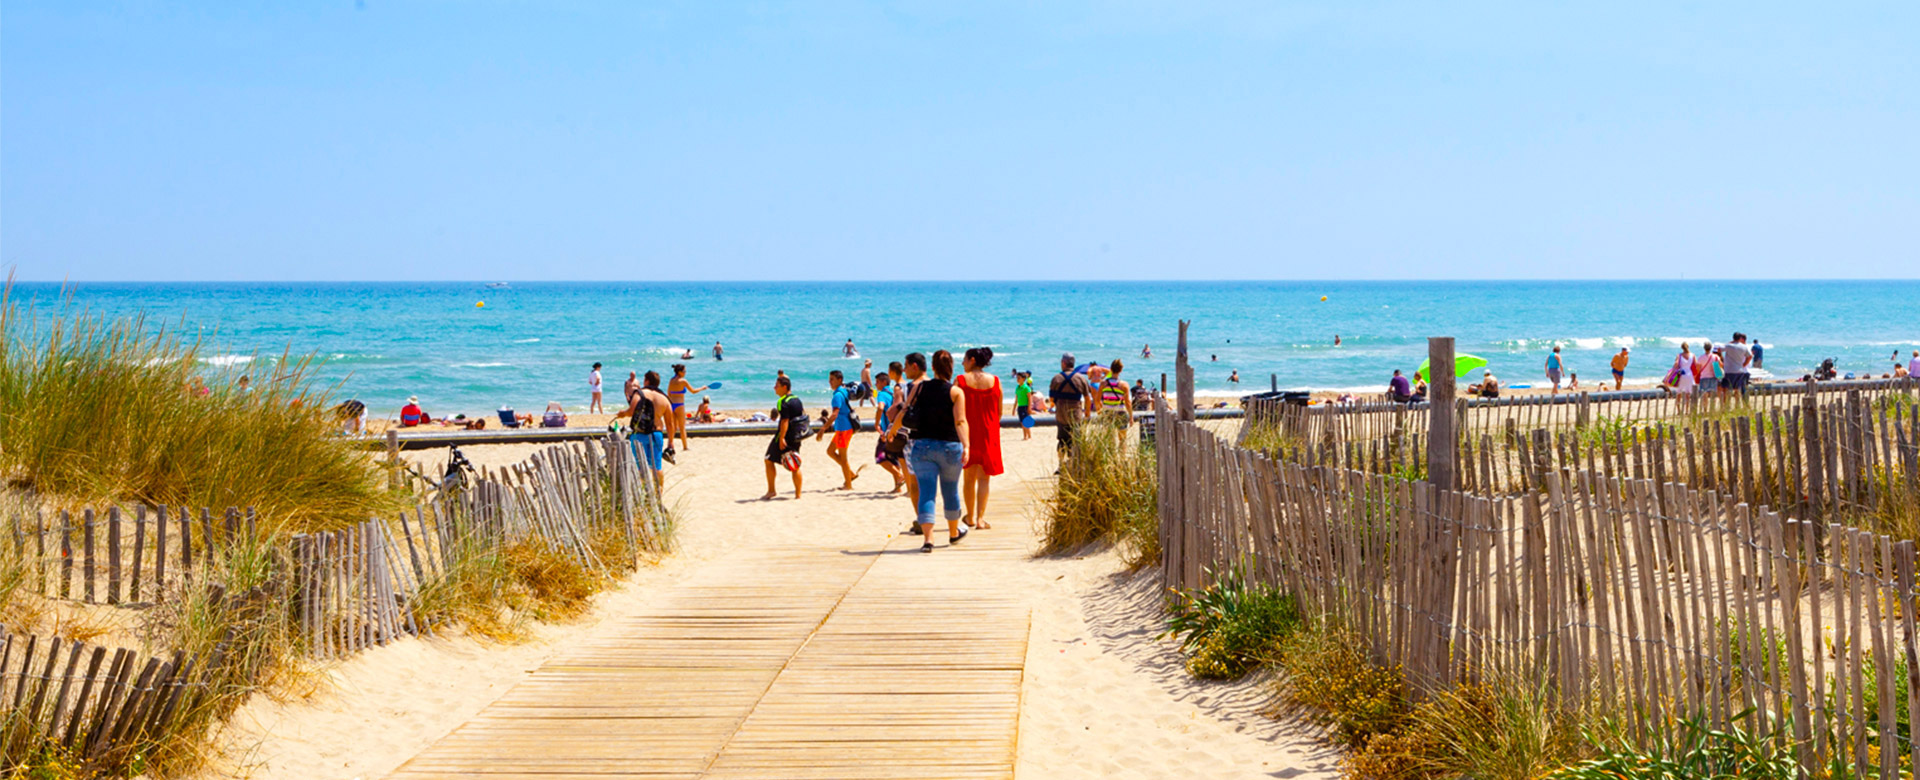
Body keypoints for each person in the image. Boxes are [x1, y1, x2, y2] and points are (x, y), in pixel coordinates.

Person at [889, 350, 969, 553]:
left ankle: (928, 540)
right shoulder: (956, 392)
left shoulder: (919, 388)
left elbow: (904, 411)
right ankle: (952, 533)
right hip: (950, 446)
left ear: (932, 367)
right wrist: (966, 446)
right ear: (951, 367)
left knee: (926, 492)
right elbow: (960, 421)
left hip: (922, 446)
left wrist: (893, 431)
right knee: (950, 490)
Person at [957, 347, 1004, 530]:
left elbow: (954, 407)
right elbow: (999, 412)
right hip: (988, 431)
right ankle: (980, 519)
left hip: (967, 430)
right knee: (984, 478)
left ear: (973, 360)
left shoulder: (961, 381)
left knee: (969, 477)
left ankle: (969, 517)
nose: (963, 363)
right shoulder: (995, 381)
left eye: (965, 360)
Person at [619, 372, 672, 493]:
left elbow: (632, 411)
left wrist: (623, 414)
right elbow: (670, 423)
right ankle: (658, 494)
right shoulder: (664, 398)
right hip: (657, 434)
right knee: (656, 466)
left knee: (639, 466)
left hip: (640, 433)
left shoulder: (640, 393)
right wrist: (671, 442)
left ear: (647, 381)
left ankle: (641, 494)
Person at [761, 375, 806, 500]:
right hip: (796, 436)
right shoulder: (797, 399)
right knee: (795, 464)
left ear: (784, 387)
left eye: (777, 385)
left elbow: (784, 421)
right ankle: (798, 495)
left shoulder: (782, 401)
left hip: (784, 436)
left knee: (768, 459)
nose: (774, 387)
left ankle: (771, 491)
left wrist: (781, 438)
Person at [1047, 353, 1095, 454]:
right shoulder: (1081, 378)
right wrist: (1087, 413)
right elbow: (1087, 398)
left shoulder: (1056, 378)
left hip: (1061, 414)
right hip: (1076, 414)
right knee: (1076, 440)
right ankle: (1073, 463)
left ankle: (1061, 465)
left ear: (1064, 363)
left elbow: (1051, 399)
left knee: (1062, 441)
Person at [824, 369, 862, 490]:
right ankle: (850, 474)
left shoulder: (837, 395)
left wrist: (822, 429)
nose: (830, 382)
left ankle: (849, 484)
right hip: (843, 428)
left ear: (839, 380)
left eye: (832, 379)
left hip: (844, 429)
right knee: (830, 451)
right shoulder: (843, 391)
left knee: (843, 458)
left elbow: (835, 414)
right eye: (829, 379)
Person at [872, 373, 907, 492]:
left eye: (877, 382)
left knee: (880, 457)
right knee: (893, 458)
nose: (875, 384)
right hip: (897, 429)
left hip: (886, 431)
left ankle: (899, 475)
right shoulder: (893, 393)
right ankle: (898, 487)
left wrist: (876, 423)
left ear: (883, 382)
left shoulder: (881, 394)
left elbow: (881, 407)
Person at [666, 364, 713, 454]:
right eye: (684, 371)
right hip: (679, 405)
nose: (685, 373)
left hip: (671, 404)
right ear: (679, 372)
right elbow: (693, 391)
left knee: (673, 427)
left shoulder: (671, 380)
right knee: (682, 426)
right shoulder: (683, 381)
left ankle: (670, 445)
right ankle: (685, 447)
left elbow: (668, 393)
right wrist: (702, 388)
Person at [1013, 370, 1037, 441]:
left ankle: (1027, 436)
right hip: (1020, 407)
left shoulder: (1026, 388)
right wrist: (1014, 409)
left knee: (1026, 421)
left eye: (1019, 378)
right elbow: (1016, 399)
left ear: (1023, 379)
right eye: (1017, 378)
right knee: (1021, 422)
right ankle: (1026, 435)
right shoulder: (1017, 388)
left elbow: (1030, 399)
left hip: (1025, 406)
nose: (1017, 379)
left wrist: (1029, 408)